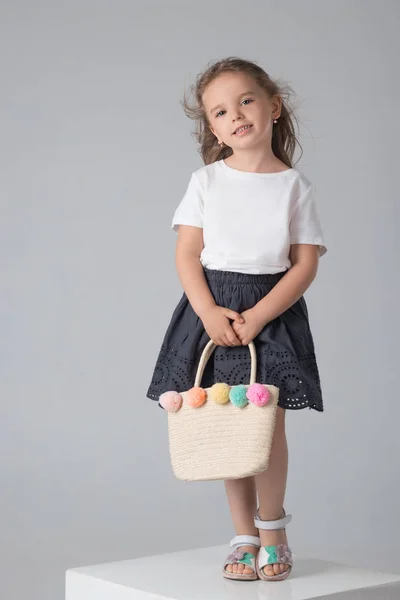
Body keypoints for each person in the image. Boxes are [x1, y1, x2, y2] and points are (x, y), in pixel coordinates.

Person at [146, 56, 327, 582]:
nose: (236, 115)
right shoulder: (205, 181)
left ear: (273, 106)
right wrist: (207, 311)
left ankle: (274, 528)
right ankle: (243, 533)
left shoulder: (295, 186)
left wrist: (259, 316)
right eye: (220, 111)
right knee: (227, 418)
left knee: (265, 425)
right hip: (212, 306)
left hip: (272, 308)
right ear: (214, 129)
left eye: (246, 100)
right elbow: (187, 255)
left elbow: (305, 263)